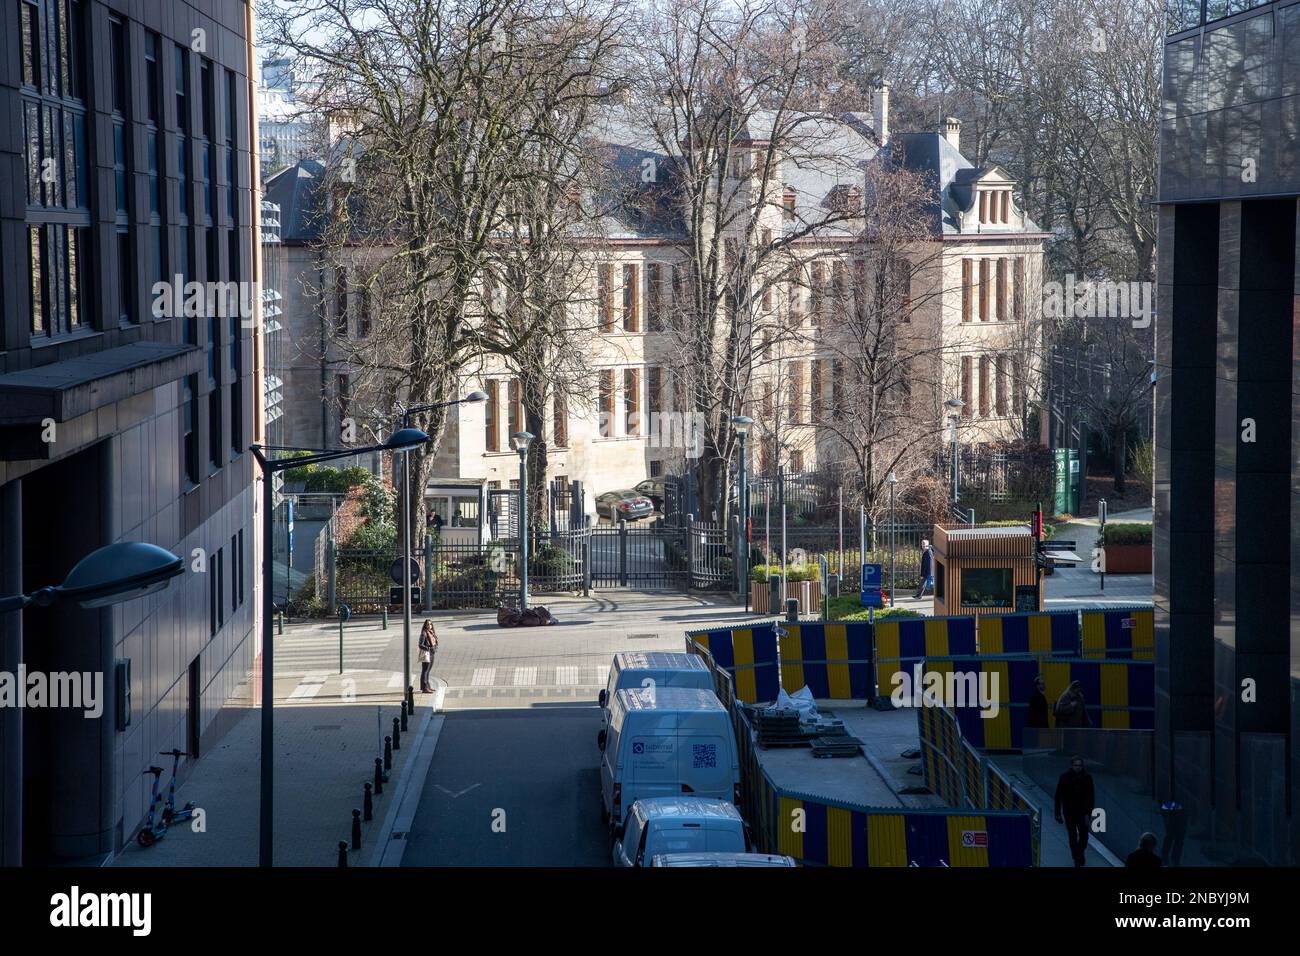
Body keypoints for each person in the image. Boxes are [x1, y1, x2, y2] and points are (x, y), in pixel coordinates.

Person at [1054, 755, 1096, 867]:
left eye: (1080, 765)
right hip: (1069, 812)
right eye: (1076, 765)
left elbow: (1091, 797)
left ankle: (1078, 854)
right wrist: (1057, 812)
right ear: (1072, 766)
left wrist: (1089, 813)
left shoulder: (1087, 778)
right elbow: (1058, 795)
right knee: (1072, 836)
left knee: (1084, 836)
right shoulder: (1065, 777)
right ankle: (1077, 857)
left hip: (1083, 812)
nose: (1078, 767)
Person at [418, 620, 438, 693]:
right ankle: (424, 688)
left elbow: (435, 642)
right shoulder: (424, 634)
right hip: (427, 654)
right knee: (425, 671)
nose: (429, 626)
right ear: (425, 625)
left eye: (430, 624)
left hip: (431, 653)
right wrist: (429, 648)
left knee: (428, 671)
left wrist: (435, 648)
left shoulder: (431, 633)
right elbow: (420, 645)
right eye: (427, 624)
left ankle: (428, 686)